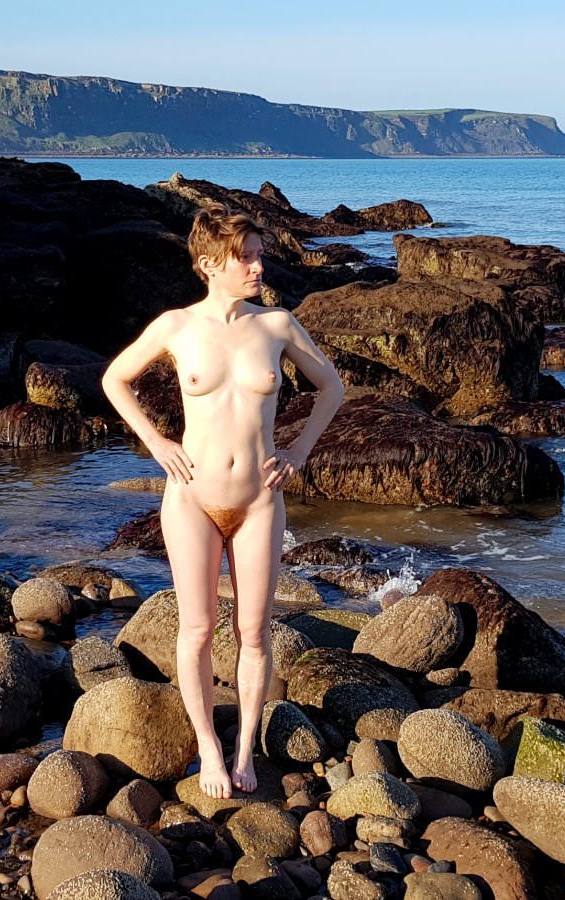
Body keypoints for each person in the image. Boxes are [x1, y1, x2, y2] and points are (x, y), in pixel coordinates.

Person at [101, 207, 345, 798]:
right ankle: (209, 748)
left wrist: (299, 452)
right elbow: (114, 379)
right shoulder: (176, 326)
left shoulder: (278, 324)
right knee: (198, 628)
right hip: (192, 500)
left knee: (254, 632)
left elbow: (332, 387)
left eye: (259, 256)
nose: (259, 267)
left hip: (260, 501)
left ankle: (244, 752)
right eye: (247, 258)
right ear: (210, 264)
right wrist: (157, 442)